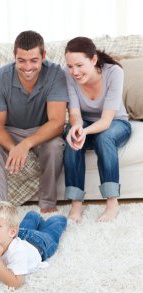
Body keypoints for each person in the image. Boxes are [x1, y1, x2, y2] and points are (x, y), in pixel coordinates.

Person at [0, 30, 68, 226]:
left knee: (55, 146)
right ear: (15, 57)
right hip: (11, 129)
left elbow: (57, 123)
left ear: (43, 56)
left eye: (34, 60)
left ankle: (47, 204)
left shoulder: (55, 74)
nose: (28, 67)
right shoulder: (0, 77)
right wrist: (14, 147)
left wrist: (26, 144)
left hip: (42, 130)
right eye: (22, 61)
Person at [63, 36, 131, 223]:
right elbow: (75, 113)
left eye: (79, 65)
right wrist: (77, 128)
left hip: (115, 123)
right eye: (70, 66)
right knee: (71, 136)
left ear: (93, 60)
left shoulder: (114, 72)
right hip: (85, 122)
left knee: (104, 138)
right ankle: (76, 205)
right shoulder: (67, 74)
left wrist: (84, 131)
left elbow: (107, 120)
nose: (74, 71)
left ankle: (111, 203)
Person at [0, 201, 67, 288]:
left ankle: (58, 218)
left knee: (54, 226)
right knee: (30, 218)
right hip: (19, 234)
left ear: (12, 232)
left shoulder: (18, 250)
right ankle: (34, 215)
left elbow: (16, 283)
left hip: (38, 243)